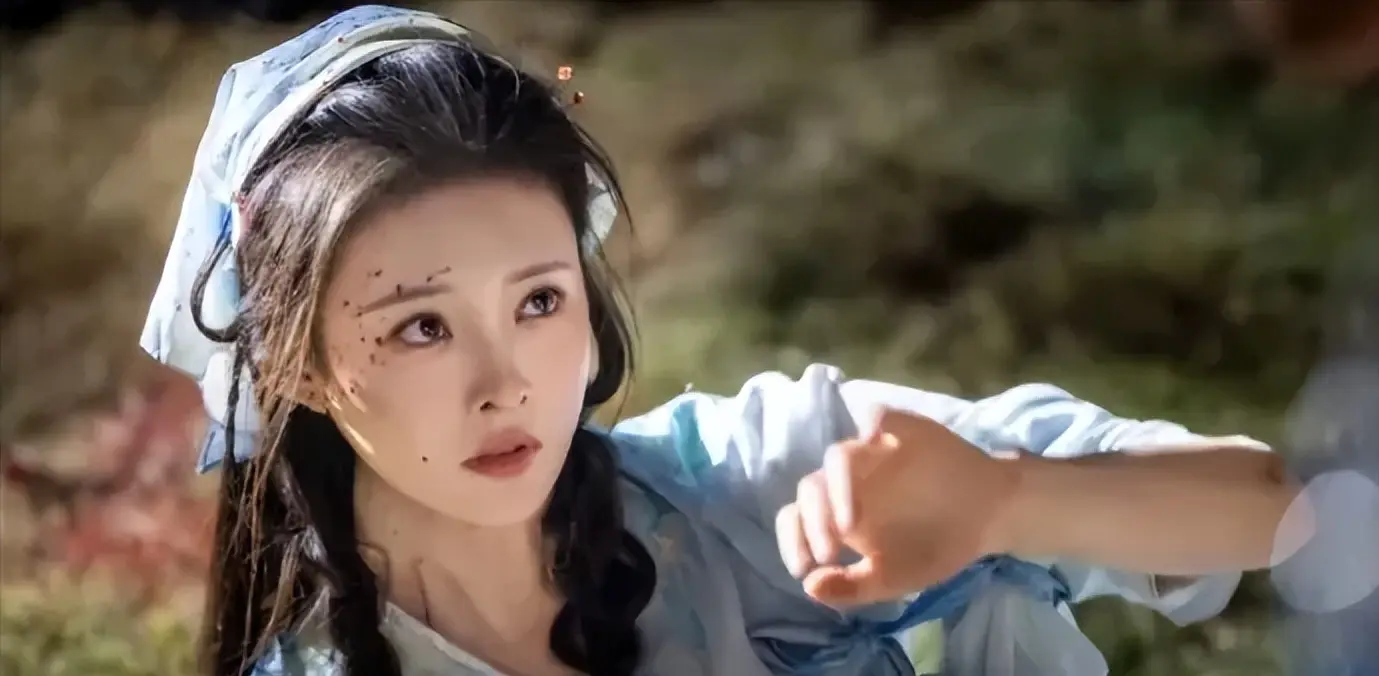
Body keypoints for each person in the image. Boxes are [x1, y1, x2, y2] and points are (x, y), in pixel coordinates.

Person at [137, 6, 1305, 676]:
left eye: (539, 301)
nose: (507, 386)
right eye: (422, 326)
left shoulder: (730, 494)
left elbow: (1271, 510)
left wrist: (1004, 500)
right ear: (292, 361)